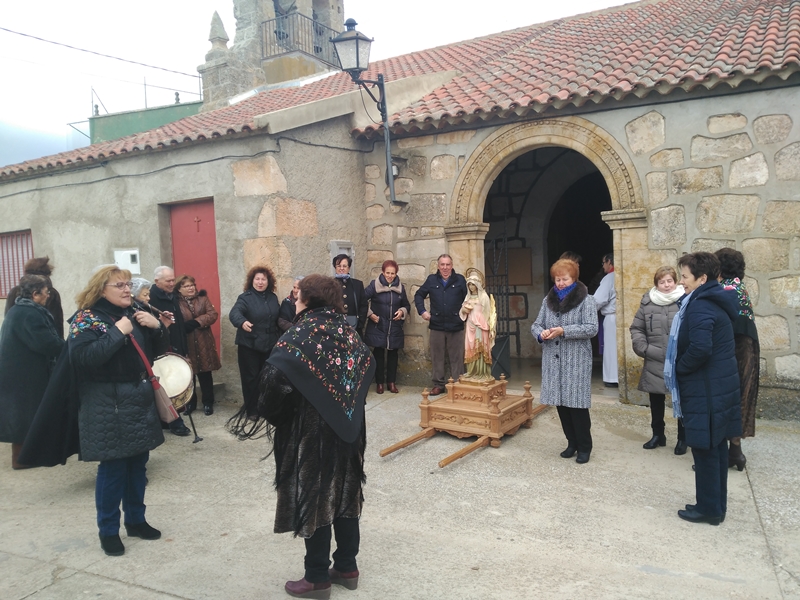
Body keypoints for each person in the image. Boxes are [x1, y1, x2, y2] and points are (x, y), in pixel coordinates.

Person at [228, 274, 375, 599]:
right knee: (346, 493)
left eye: (297, 297)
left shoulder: (298, 335)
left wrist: (283, 418)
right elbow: (367, 362)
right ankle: (347, 567)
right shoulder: (348, 332)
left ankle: (317, 577)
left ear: (307, 300)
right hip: (350, 431)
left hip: (313, 433)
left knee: (317, 496)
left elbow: (270, 386)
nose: (294, 301)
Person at [69, 266, 169, 555]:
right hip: (106, 404)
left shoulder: (135, 311)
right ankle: (108, 531)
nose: (128, 289)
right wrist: (116, 333)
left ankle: (136, 520)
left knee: (138, 465)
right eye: (119, 285)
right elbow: (83, 359)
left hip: (137, 399)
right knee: (113, 469)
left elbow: (157, 352)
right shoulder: (85, 319)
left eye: (127, 284)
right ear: (101, 290)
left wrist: (157, 327)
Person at [665, 252, 741, 526]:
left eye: (685, 276)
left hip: (706, 390)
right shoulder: (712, 300)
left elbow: (700, 348)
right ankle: (715, 506)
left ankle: (708, 509)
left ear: (702, 278)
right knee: (716, 448)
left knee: (706, 450)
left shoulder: (700, 306)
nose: (681, 281)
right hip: (717, 388)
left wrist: (679, 368)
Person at [532, 258, 598, 464]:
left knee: (577, 405)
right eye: (557, 279)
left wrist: (564, 330)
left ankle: (584, 446)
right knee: (561, 404)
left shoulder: (586, 300)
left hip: (576, 361)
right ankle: (571, 443)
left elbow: (591, 328)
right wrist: (541, 333)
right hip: (553, 361)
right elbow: (536, 324)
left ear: (574, 278)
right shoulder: (548, 300)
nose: (560, 283)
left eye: (565, 279)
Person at [0, 275, 64, 469]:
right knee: (26, 416)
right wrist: (69, 348)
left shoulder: (18, 310)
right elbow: (46, 343)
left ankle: (28, 456)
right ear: (35, 294)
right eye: (46, 292)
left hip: (19, 372)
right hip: (26, 374)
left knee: (25, 415)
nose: (48, 296)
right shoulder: (29, 314)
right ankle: (22, 460)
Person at [629, 266, 686, 452]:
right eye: (662, 282)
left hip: (678, 358)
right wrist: (643, 348)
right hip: (654, 357)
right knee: (655, 400)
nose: (666, 285)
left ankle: (683, 438)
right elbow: (637, 328)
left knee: (682, 400)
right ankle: (657, 434)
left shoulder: (685, 300)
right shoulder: (648, 303)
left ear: (675, 282)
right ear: (656, 284)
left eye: (670, 281)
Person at [715, 247, 759, 472]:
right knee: (741, 397)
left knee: (725, 398)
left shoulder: (723, 290)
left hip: (732, 348)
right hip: (748, 347)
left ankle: (724, 454)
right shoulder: (739, 287)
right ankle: (735, 451)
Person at [229, 265, 281, 419]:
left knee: (267, 378)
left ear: (268, 281)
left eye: (263, 279)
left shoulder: (272, 297)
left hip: (269, 344)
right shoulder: (245, 298)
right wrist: (242, 322)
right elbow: (235, 313)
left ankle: (265, 408)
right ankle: (252, 410)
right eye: (257, 279)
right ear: (252, 281)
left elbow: (277, 319)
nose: (260, 282)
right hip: (249, 345)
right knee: (250, 379)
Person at [414, 254, 468, 396]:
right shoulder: (432, 280)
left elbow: (469, 298)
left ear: (452, 265)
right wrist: (422, 311)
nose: (445, 267)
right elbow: (418, 295)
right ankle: (438, 385)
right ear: (438, 266)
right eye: (442, 265)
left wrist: (467, 313)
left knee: (457, 357)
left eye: (447, 264)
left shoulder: (460, 280)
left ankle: (457, 385)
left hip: (456, 325)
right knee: (437, 356)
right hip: (437, 325)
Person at [149, 266, 192, 437]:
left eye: (173, 280)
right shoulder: (151, 299)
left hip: (177, 345)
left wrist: (184, 351)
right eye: (168, 281)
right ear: (157, 281)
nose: (172, 283)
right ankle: (175, 422)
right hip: (162, 348)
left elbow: (179, 326)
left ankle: (168, 420)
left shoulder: (173, 296)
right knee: (166, 387)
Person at [176, 275, 222, 416]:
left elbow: (212, 314)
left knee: (205, 373)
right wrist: (182, 326)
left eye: (192, 285)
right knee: (189, 374)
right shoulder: (176, 302)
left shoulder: (202, 299)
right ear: (179, 289)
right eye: (186, 286)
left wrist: (196, 322)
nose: (191, 288)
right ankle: (190, 403)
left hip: (203, 341)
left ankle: (208, 402)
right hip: (187, 341)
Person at [363, 260, 410, 394]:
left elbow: (407, 305)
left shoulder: (400, 288)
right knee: (378, 354)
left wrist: (402, 311)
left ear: (396, 274)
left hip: (394, 326)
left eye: (392, 273)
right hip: (378, 326)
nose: (390, 276)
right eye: (387, 273)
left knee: (393, 355)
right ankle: (379, 383)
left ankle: (391, 382)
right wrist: (370, 315)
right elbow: (361, 301)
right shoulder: (374, 285)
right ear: (383, 272)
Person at [5, 256, 65, 338]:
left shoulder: (14, 291)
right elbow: (57, 323)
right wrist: (60, 342)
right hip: (43, 340)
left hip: (17, 340)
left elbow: (8, 318)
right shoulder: (51, 293)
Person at [459, 272, 495, 382]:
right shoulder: (468, 297)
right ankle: (472, 371)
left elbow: (489, 313)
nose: (471, 287)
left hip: (481, 325)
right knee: (470, 346)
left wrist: (491, 328)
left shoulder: (484, 297)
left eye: (473, 284)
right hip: (470, 324)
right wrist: (463, 310)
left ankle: (481, 372)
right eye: (469, 285)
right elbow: (462, 311)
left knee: (481, 346)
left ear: (477, 285)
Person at [593, 253, 618, 387]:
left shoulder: (609, 278)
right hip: (619, 316)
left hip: (612, 317)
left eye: (603, 263)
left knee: (611, 348)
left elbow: (598, 300)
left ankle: (612, 378)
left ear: (609, 262)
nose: (603, 266)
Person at [333, 254, 367, 338]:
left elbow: (363, 305)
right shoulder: (329, 284)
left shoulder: (357, 284)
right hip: (335, 327)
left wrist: (360, 324)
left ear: (349, 268)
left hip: (355, 327)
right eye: (339, 266)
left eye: (344, 266)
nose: (341, 268)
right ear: (335, 267)